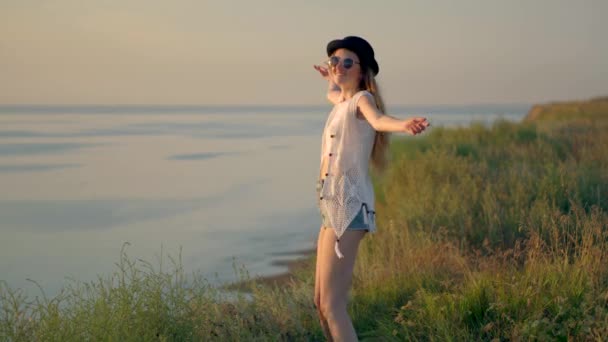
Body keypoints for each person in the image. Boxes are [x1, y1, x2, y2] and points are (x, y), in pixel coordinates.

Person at [312, 36, 429, 341]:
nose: (338, 66)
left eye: (347, 62)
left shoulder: (363, 99)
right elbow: (333, 95)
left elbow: (378, 121)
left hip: (349, 206)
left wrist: (403, 124)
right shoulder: (342, 101)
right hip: (331, 205)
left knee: (333, 306)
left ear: (362, 71)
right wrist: (331, 79)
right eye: (333, 61)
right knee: (320, 303)